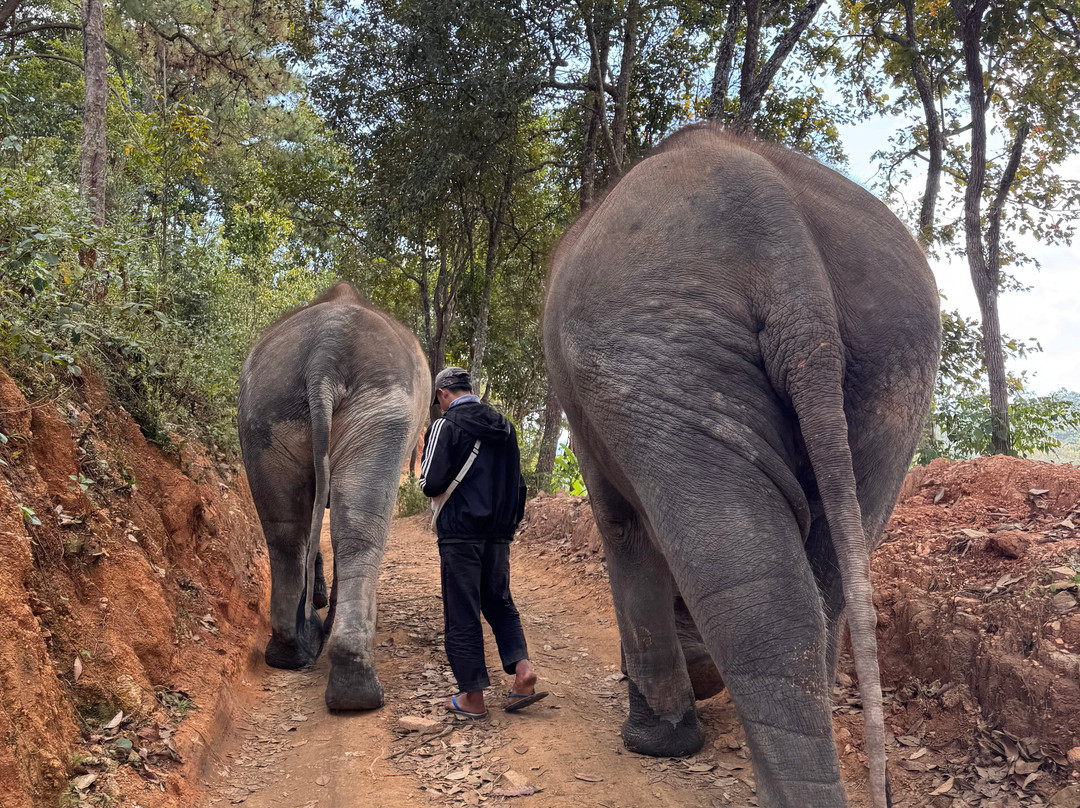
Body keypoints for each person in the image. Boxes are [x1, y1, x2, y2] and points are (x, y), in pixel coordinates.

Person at [419, 366, 547, 718]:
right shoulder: (505, 426)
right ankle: (523, 673)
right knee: (499, 602)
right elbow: (518, 485)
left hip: (460, 534)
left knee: (462, 611)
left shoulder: (444, 425)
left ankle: (472, 697)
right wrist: (507, 525)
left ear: (443, 393)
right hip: (498, 534)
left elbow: (430, 483)